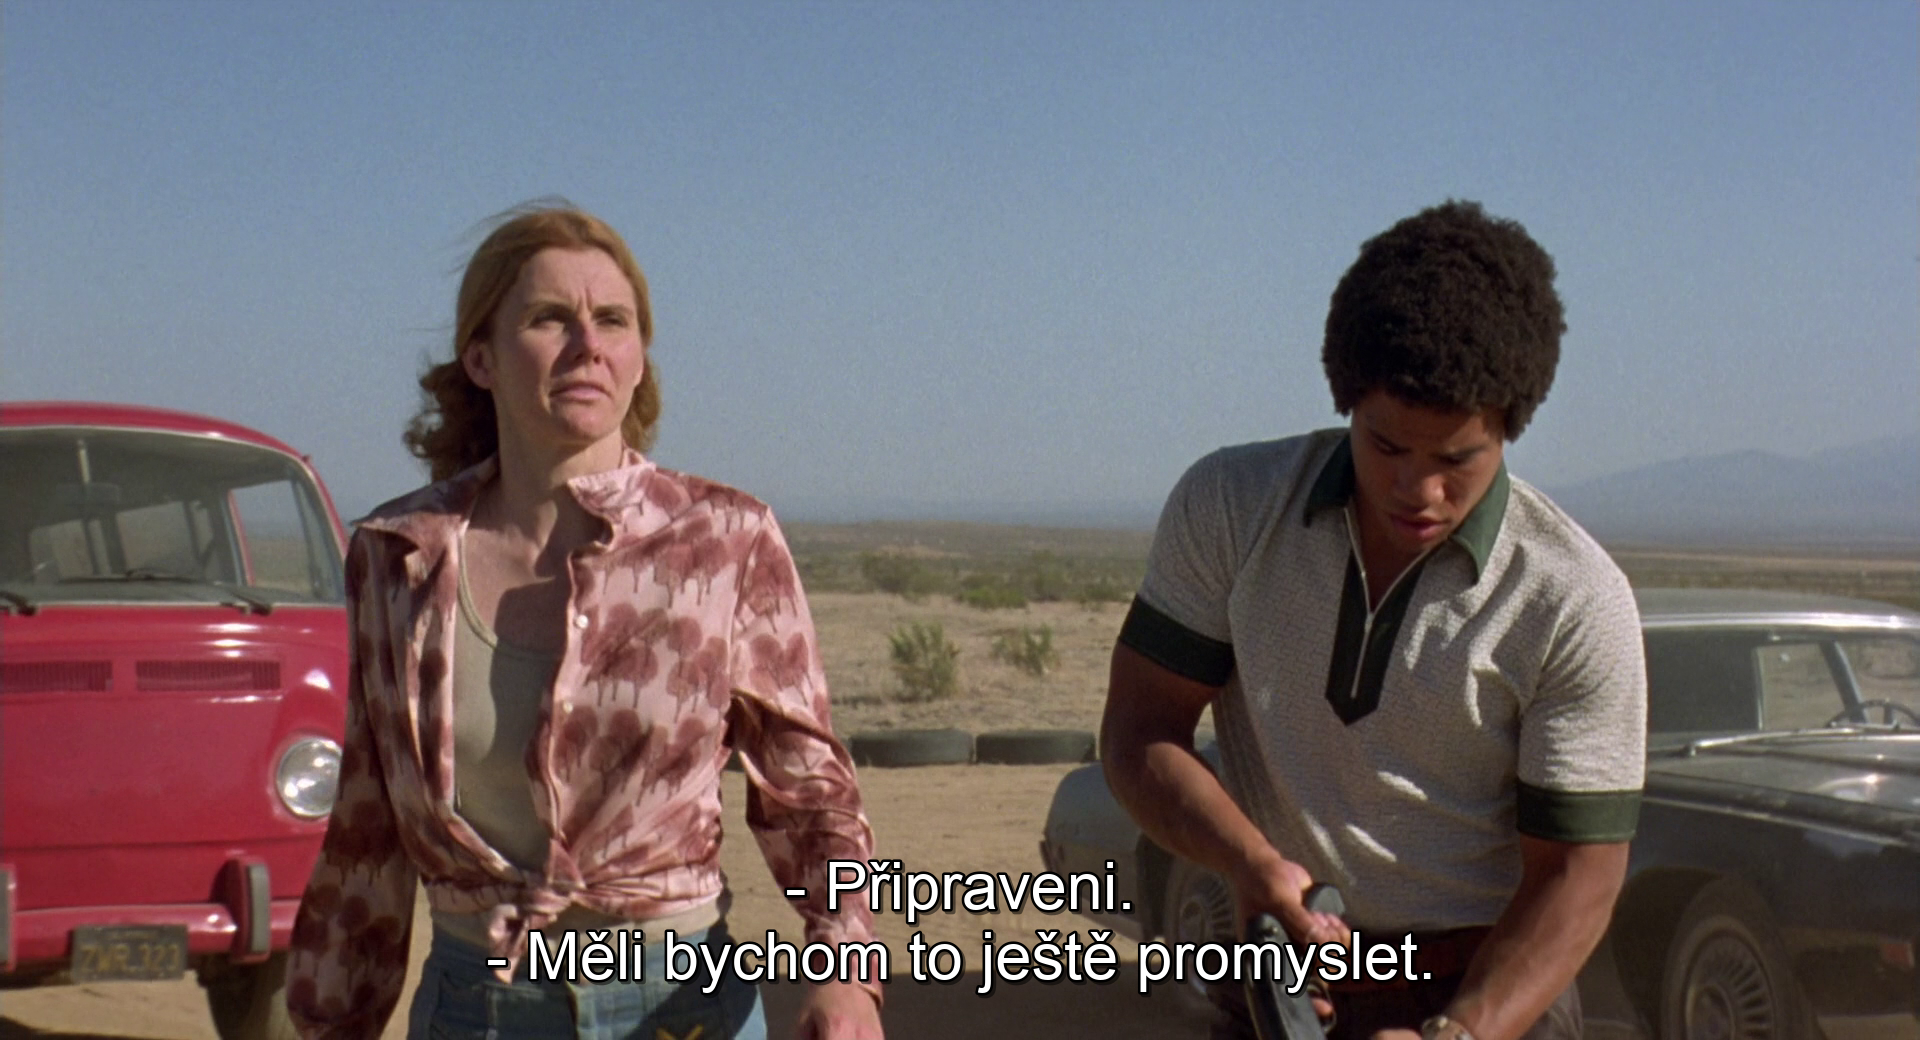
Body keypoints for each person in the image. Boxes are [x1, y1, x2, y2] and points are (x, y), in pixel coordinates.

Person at [286, 205, 886, 1040]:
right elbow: (366, 825)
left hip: (682, 1007)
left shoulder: (722, 540)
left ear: (638, 361)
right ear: (481, 358)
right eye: (549, 319)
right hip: (476, 1010)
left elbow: (811, 796)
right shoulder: (398, 556)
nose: (587, 346)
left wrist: (847, 971)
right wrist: (331, 1021)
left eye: (612, 320)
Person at [1101, 200, 1646, 1040]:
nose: (1417, 490)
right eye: (1386, 447)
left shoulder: (1572, 597)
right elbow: (1140, 731)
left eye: (1456, 459)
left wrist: (1458, 1032)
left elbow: (1581, 876)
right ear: (1347, 401)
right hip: (1281, 978)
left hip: (1491, 994)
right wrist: (1247, 861)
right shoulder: (1233, 508)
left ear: (1511, 425)